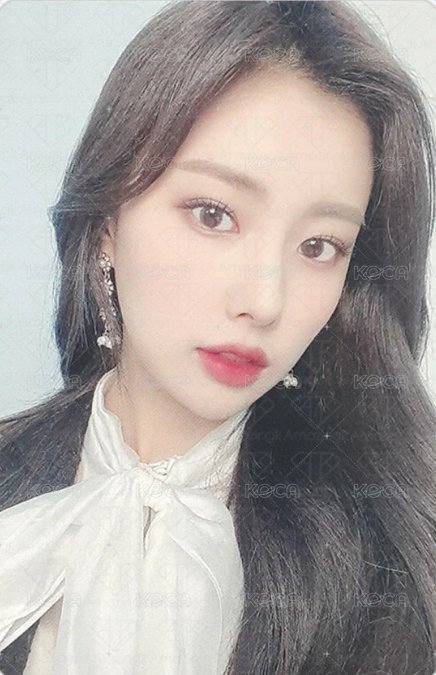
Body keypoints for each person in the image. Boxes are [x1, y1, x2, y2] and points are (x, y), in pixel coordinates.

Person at [1, 0, 435, 673]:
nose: (264, 301)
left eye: (319, 246)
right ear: (107, 224)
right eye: (213, 214)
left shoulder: (390, 565)